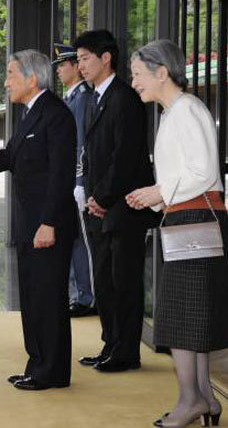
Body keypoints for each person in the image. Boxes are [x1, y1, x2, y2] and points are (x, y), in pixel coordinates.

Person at [127, 39, 228, 428]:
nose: (134, 82)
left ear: (161, 72)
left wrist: (157, 191)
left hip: (194, 220)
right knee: (192, 316)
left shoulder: (185, 110)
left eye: (137, 74)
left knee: (183, 316)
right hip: (188, 218)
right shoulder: (176, 111)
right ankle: (203, 398)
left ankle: (191, 401)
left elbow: (203, 172)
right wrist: (155, 197)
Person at [0, 49, 77, 390]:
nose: (5, 82)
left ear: (32, 78)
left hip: (47, 225)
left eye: (11, 74)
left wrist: (49, 222)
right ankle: (37, 364)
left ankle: (52, 372)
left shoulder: (55, 114)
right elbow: (10, 155)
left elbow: (61, 175)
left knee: (48, 299)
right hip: (30, 224)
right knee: (32, 296)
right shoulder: (31, 113)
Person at [74, 30, 157, 372]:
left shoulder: (124, 97)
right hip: (100, 204)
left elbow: (124, 158)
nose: (80, 66)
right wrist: (93, 197)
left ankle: (127, 351)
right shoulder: (95, 97)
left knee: (124, 281)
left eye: (84, 58)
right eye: (77, 60)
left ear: (105, 58)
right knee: (105, 280)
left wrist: (102, 196)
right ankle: (110, 344)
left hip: (124, 206)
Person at [53, 45, 96, 317]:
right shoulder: (70, 98)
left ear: (75, 67)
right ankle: (76, 292)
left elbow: (81, 144)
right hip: (65, 180)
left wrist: (80, 181)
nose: (58, 70)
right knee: (71, 240)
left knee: (82, 242)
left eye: (62, 64)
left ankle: (88, 296)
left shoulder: (81, 99)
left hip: (76, 181)